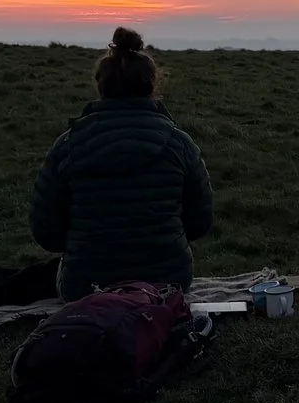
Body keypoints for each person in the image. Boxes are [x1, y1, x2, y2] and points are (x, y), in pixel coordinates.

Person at [29, 27, 215, 299]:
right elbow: (200, 223)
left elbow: (46, 232)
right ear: (152, 85)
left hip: (86, 289)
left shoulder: (68, 145)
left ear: (101, 85)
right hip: (166, 285)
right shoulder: (180, 144)